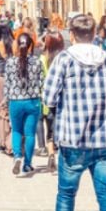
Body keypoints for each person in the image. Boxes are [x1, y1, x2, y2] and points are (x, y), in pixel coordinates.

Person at [42, 14, 106, 211]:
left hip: (72, 140)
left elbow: (48, 98)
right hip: (104, 142)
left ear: (72, 35)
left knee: (67, 193)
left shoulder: (64, 61)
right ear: (96, 33)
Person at [5, 32, 44, 177]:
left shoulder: (10, 62)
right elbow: (41, 82)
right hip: (32, 101)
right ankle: (27, 164)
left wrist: (7, 98)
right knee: (29, 134)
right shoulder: (37, 62)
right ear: (30, 46)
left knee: (16, 131)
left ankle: (17, 157)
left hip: (15, 102)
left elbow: (7, 85)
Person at [38, 30, 65, 173]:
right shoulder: (64, 59)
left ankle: (51, 155)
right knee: (60, 130)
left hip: (47, 100)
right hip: (63, 101)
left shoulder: (42, 59)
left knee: (49, 129)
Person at [0, 21, 15, 155]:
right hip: (16, 79)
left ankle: (4, 141)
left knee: (2, 110)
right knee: (13, 110)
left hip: (1, 78)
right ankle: (13, 141)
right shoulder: (15, 44)